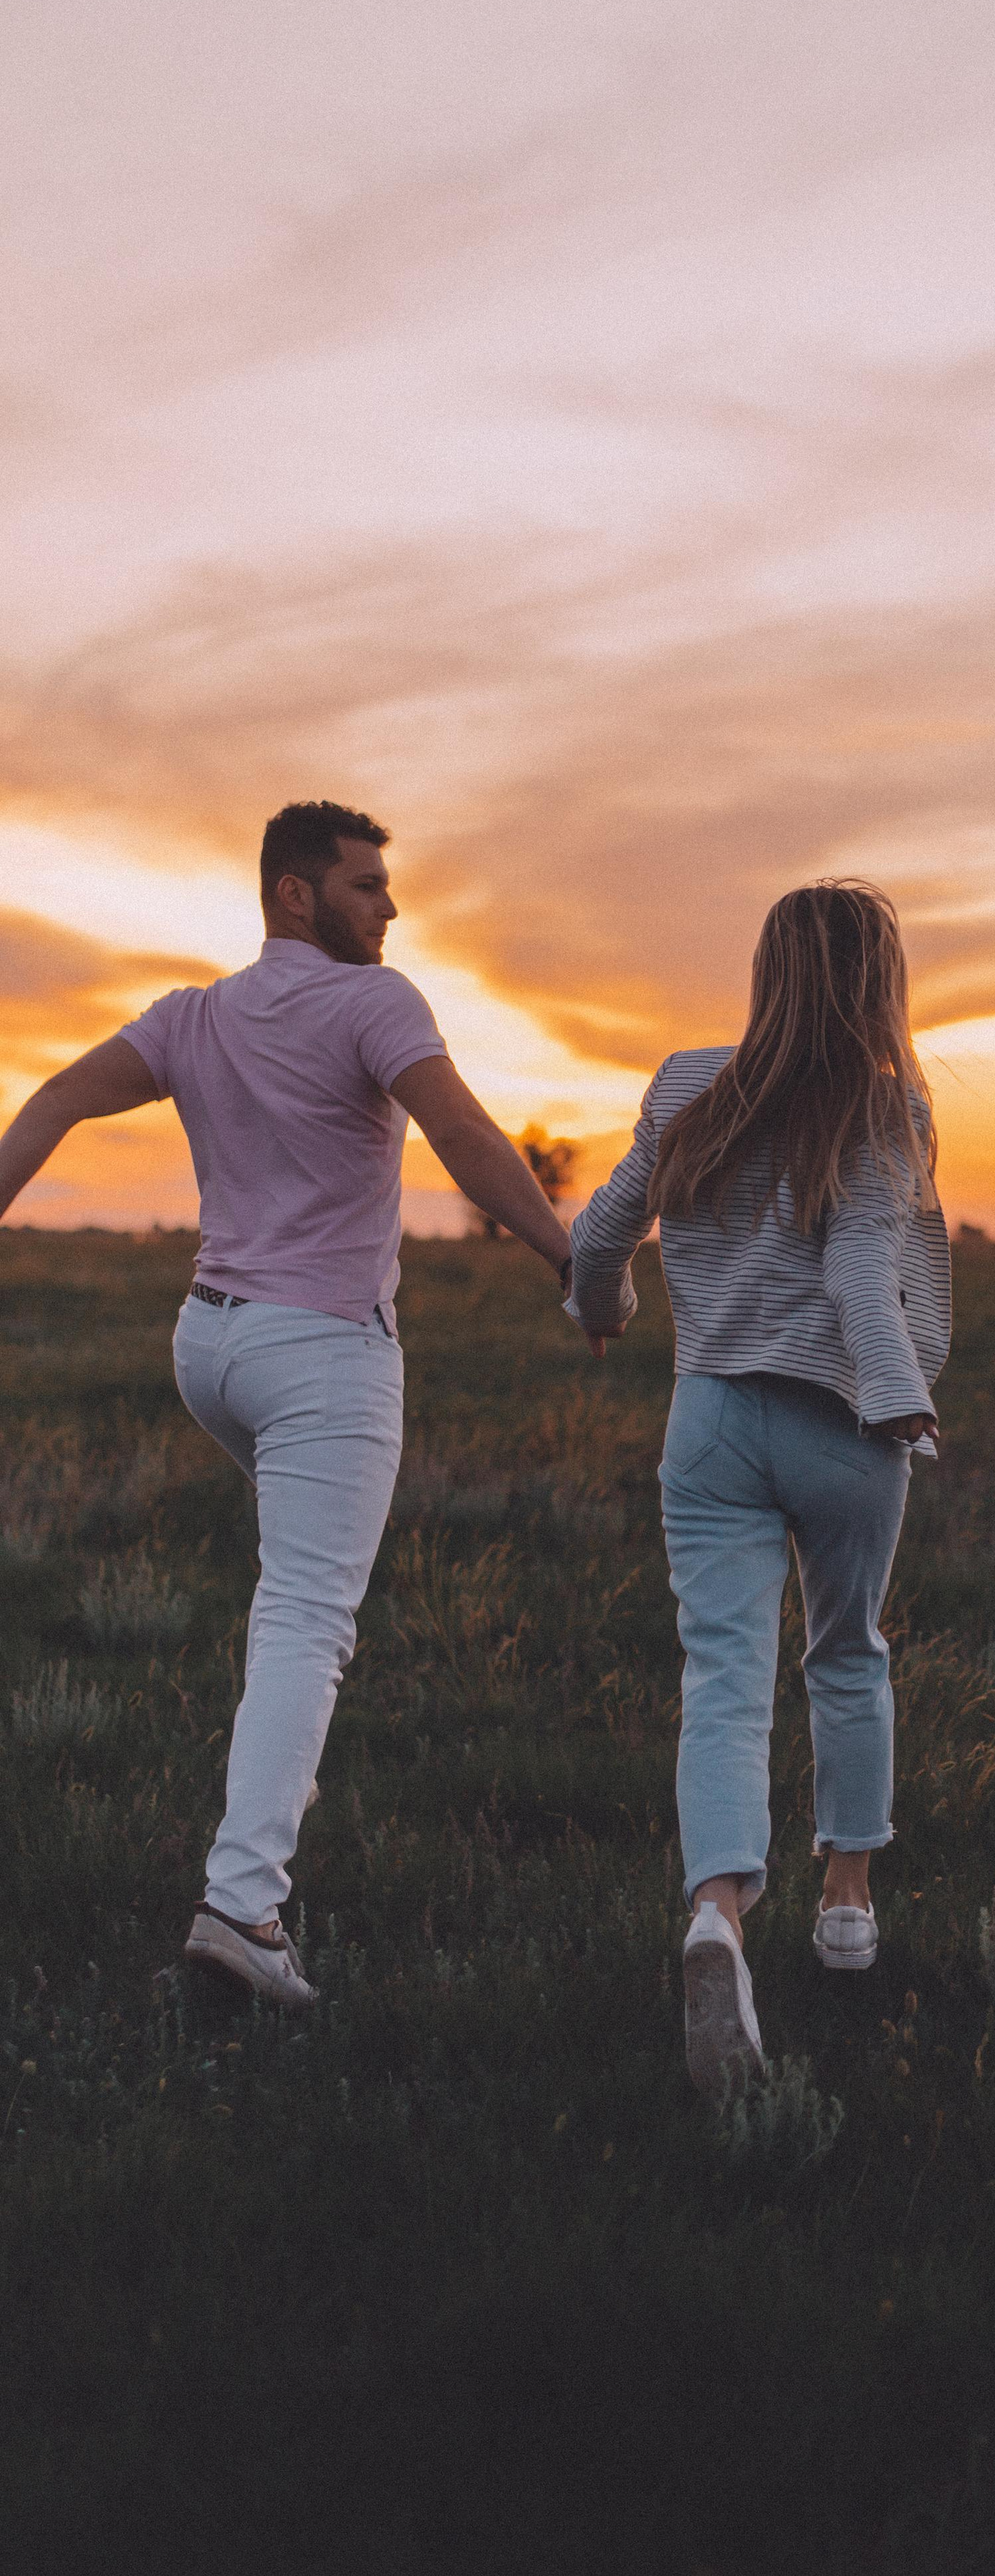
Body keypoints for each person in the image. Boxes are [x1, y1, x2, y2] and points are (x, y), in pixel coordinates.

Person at [0, 801, 577, 2008]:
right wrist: (573, 1262)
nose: (390, 906)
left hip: (209, 1351)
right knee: (308, 1618)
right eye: (367, 885)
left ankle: (278, 1776)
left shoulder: (190, 1017)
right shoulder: (377, 1003)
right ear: (294, 894)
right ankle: (243, 1906)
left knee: (298, 1597)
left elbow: (47, 1100)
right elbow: (465, 1132)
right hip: (322, 1355)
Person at [568, 878, 950, 2094]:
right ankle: (846, 1906)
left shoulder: (689, 1080)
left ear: (768, 973)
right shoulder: (890, 1108)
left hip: (713, 1417)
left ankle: (717, 1914)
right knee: (847, 1654)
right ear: (878, 984)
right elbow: (857, 1262)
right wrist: (896, 1390)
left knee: (722, 1679)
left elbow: (606, 1227)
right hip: (845, 1420)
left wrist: (605, 1305)